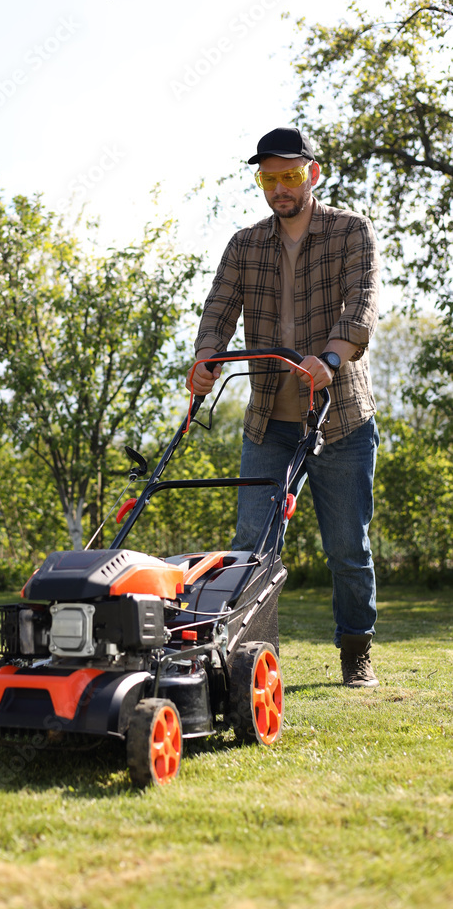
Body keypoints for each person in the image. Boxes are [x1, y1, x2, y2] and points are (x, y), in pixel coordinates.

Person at [187, 127, 381, 688]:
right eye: (268, 178)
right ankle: (246, 663)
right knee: (251, 546)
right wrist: (206, 359)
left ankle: (355, 653)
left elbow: (363, 301)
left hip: (339, 419)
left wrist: (333, 356)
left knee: (347, 548)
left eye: (290, 176)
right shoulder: (245, 244)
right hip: (269, 421)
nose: (279, 188)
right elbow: (218, 309)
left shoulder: (350, 231)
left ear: (312, 174)